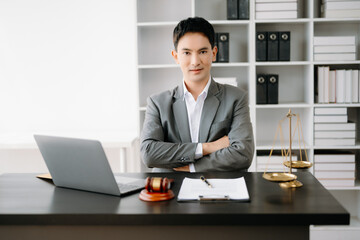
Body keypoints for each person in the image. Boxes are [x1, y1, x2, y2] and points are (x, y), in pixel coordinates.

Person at [140, 17, 254, 172]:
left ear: (213, 53)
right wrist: (207, 147)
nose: (195, 61)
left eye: (203, 52)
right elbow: (149, 154)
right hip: (170, 188)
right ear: (176, 57)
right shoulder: (157, 103)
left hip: (219, 188)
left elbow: (243, 154)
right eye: (186, 52)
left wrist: (192, 167)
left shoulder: (236, 98)